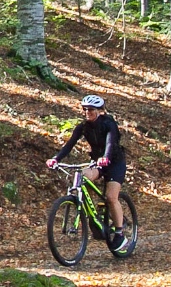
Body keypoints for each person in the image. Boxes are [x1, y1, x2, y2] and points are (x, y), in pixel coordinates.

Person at [46, 95, 127, 250]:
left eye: (91, 109)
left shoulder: (108, 123)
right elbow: (69, 145)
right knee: (83, 176)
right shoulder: (83, 127)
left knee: (111, 197)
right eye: (85, 109)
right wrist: (55, 158)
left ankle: (119, 234)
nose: (87, 112)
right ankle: (92, 214)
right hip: (98, 162)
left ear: (99, 111)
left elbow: (110, 143)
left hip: (115, 162)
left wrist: (105, 157)